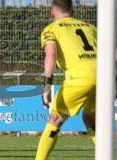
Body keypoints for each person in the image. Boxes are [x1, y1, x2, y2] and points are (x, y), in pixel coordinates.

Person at [36, 0, 96, 159]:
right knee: (90, 118)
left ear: (52, 13)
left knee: (54, 120)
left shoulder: (51, 29)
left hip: (80, 77)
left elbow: (51, 54)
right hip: (104, 76)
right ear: (72, 11)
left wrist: (46, 86)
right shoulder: (91, 28)